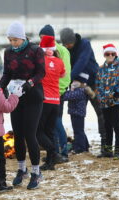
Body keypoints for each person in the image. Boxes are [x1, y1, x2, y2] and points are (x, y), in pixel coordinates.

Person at [0, 21, 45, 190]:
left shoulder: (35, 50)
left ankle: (36, 172)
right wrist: (0, 87)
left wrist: (30, 83)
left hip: (33, 97)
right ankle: (21, 170)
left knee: (30, 134)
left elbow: (41, 72)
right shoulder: (8, 52)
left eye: (15, 40)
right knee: (18, 134)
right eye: (10, 40)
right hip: (16, 97)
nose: (13, 43)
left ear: (22, 37)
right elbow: (6, 73)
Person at [60, 28, 106, 154]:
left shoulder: (85, 44)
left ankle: (104, 142)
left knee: (101, 113)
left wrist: (67, 80)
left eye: (69, 43)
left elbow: (81, 62)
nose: (67, 46)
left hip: (94, 82)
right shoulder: (65, 49)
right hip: (78, 84)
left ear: (74, 39)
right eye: (65, 44)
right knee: (77, 114)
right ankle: (81, 144)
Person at [39, 24, 71, 159]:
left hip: (57, 92)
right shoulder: (43, 52)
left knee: (56, 122)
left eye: (42, 38)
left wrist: (60, 90)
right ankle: (54, 151)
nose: (41, 40)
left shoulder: (62, 51)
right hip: (48, 93)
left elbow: (66, 73)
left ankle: (63, 151)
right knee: (51, 124)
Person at [95, 44, 119, 159]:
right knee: (107, 127)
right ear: (104, 55)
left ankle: (117, 151)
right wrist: (99, 97)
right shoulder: (100, 69)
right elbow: (97, 84)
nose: (110, 56)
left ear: (115, 54)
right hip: (104, 103)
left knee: (117, 127)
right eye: (107, 54)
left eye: (112, 54)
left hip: (115, 102)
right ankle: (107, 151)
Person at [36, 35, 66, 171]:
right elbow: (63, 75)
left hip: (44, 100)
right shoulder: (59, 61)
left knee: (38, 131)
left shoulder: (41, 61)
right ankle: (50, 162)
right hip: (56, 101)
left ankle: (52, 150)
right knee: (49, 131)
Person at [63, 80, 95, 154]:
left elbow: (67, 96)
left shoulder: (79, 91)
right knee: (80, 130)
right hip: (78, 113)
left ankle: (80, 148)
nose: (72, 84)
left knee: (78, 131)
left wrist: (63, 92)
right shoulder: (82, 90)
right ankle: (85, 145)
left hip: (77, 113)